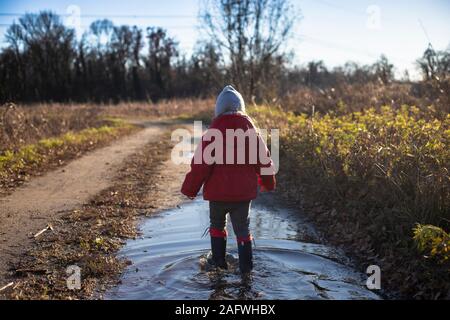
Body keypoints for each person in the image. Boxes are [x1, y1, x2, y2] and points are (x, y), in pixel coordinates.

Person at [181, 85, 276, 274]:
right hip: (243, 195)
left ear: (218, 110)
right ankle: (246, 269)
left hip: (217, 195)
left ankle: (218, 263)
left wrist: (190, 189)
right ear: (242, 108)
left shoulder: (211, 134)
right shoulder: (252, 134)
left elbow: (200, 166)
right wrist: (268, 183)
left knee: (217, 226)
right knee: (243, 229)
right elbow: (264, 162)